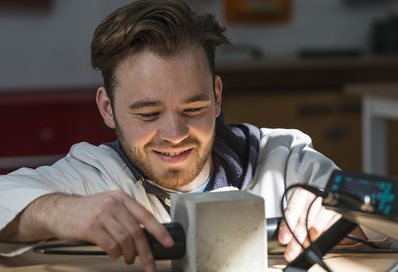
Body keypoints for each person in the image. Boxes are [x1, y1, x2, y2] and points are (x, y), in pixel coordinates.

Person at [0, 1, 342, 271]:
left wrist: (346, 215)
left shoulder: (282, 161)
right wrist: (54, 211)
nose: (175, 134)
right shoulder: (94, 177)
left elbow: (386, 215)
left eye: (193, 108)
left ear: (217, 95)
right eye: (148, 114)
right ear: (107, 108)